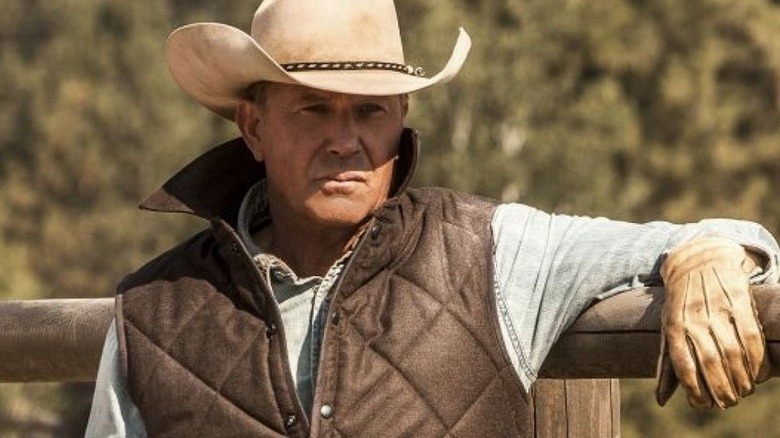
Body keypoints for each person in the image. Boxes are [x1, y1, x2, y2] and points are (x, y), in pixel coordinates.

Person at [85, 0, 779, 436]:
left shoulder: (493, 253)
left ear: (400, 121)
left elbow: (708, 239)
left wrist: (711, 256)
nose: (345, 138)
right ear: (254, 126)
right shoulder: (153, 314)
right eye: (313, 108)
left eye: (369, 110)